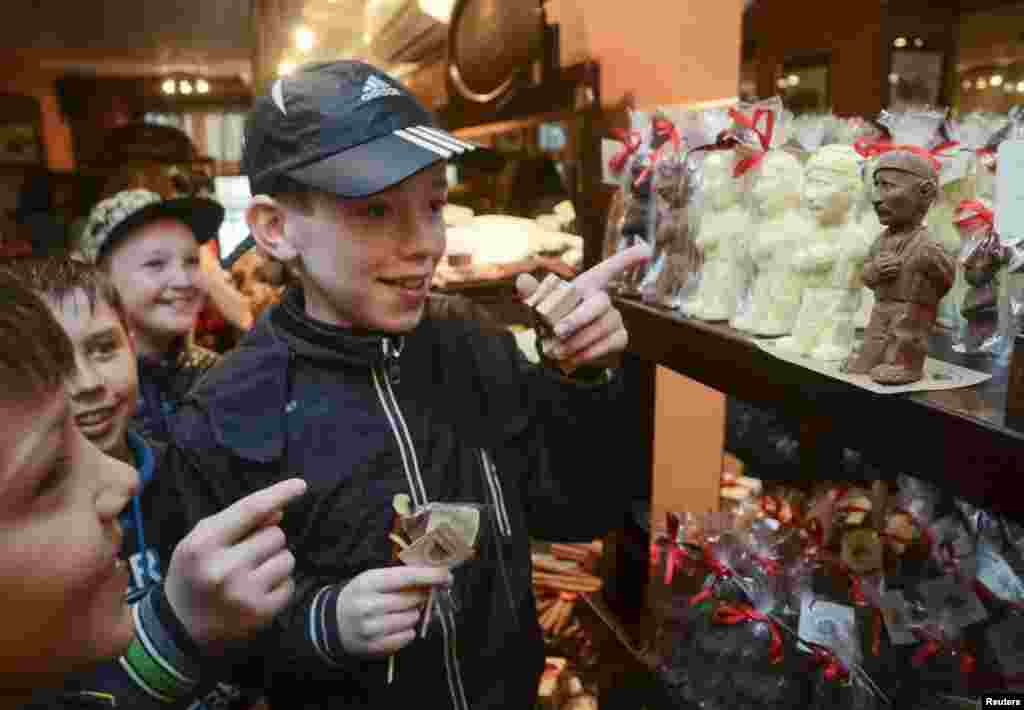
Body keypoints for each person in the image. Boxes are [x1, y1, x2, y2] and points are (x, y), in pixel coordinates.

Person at [162, 60, 649, 710]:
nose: (426, 244)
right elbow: (206, 643)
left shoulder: (471, 343)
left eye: (434, 205)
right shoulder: (225, 416)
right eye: (376, 211)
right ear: (277, 228)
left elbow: (577, 509)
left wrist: (582, 376)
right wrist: (321, 622)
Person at [5, 256, 304, 709]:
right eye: (47, 478)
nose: (86, 383)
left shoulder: (195, 469)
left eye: (103, 348)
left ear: (130, 344)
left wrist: (327, 622)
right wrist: (178, 627)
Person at [77, 189, 225, 443]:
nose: (183, 280)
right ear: (100, 276)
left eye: (191, 261)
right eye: (155, 264)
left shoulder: (217, 375)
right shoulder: (81, 388)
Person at [842, 150, 955, 385]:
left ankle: (905, 366)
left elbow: (947, 279)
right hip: (882, 306)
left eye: (887, 186)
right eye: (876, 186)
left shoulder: (928, 242)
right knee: (875, 336)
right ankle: (869, 359)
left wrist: (934, 263)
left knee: (905, 336)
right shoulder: (881, 240)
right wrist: (875, 270)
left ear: (924, 192)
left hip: (912, 309)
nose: (876, 198)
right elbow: (865, 273)